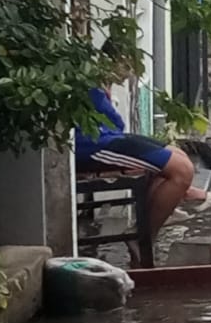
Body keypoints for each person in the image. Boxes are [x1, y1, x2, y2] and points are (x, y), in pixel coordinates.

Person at [74, 84, 202, 262]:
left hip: (105, 137)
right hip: (92, 144)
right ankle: (143, 237)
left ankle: (167, 207)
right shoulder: (81, 77)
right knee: (182, 171)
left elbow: (114, 122)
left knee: (177, 153)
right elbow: (112, 121)